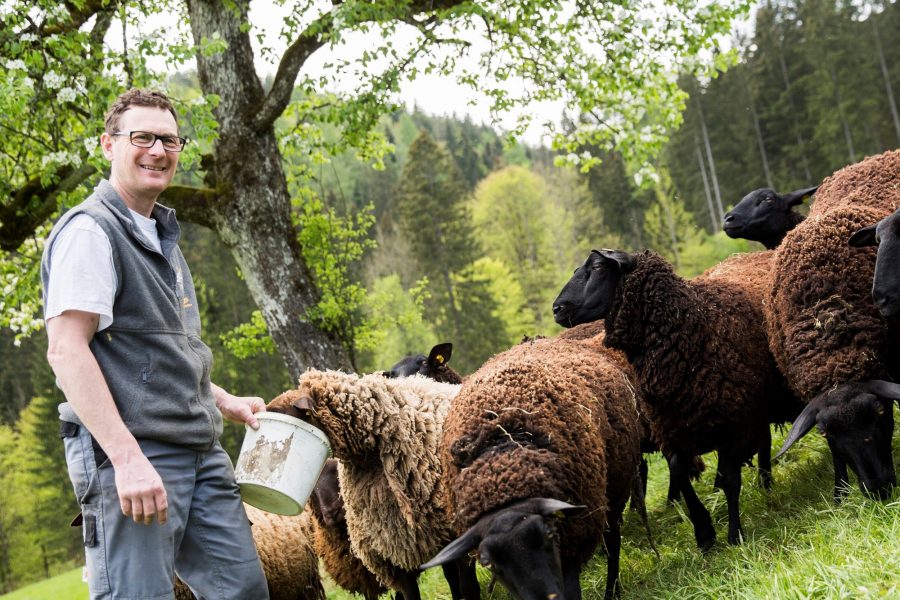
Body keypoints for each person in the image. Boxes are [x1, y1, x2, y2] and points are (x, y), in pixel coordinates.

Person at [41, 88, 270, 599]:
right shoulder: (91, 231)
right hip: (135, 453)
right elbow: (66, 350)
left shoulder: (162, 235)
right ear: (108, 144)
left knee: (244, 590)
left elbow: (160, 355)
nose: (158, 151)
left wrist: (221, 399)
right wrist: (126, 459)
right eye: (141, 137)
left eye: (169, 140)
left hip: (199, 449)